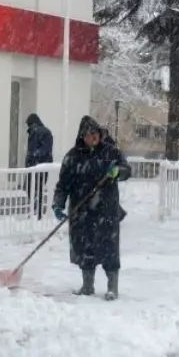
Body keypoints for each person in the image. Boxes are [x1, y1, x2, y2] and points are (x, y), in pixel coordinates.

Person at [53, 116, 132, 301]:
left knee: (109, 248)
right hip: (82, 211)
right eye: (89, 135)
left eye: (95, 133)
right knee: (84, 246)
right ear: (82, 136)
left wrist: (118, 171)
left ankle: (112, 287)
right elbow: (63, 184)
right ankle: (87, 285)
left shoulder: (111, 152)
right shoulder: (73, 157)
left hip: (107, 210)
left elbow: (127, 169)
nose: (93, 137)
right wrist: (58, 203)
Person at [24, 113, 54, 218]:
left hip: (36, 166)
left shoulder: (37, 132)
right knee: (37, 189)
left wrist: (33, 158)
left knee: (33, 188)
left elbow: (42, 151)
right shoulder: (44, 132)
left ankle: (37, 211)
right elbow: (46, 150)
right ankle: (36, 211)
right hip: (40, 166)